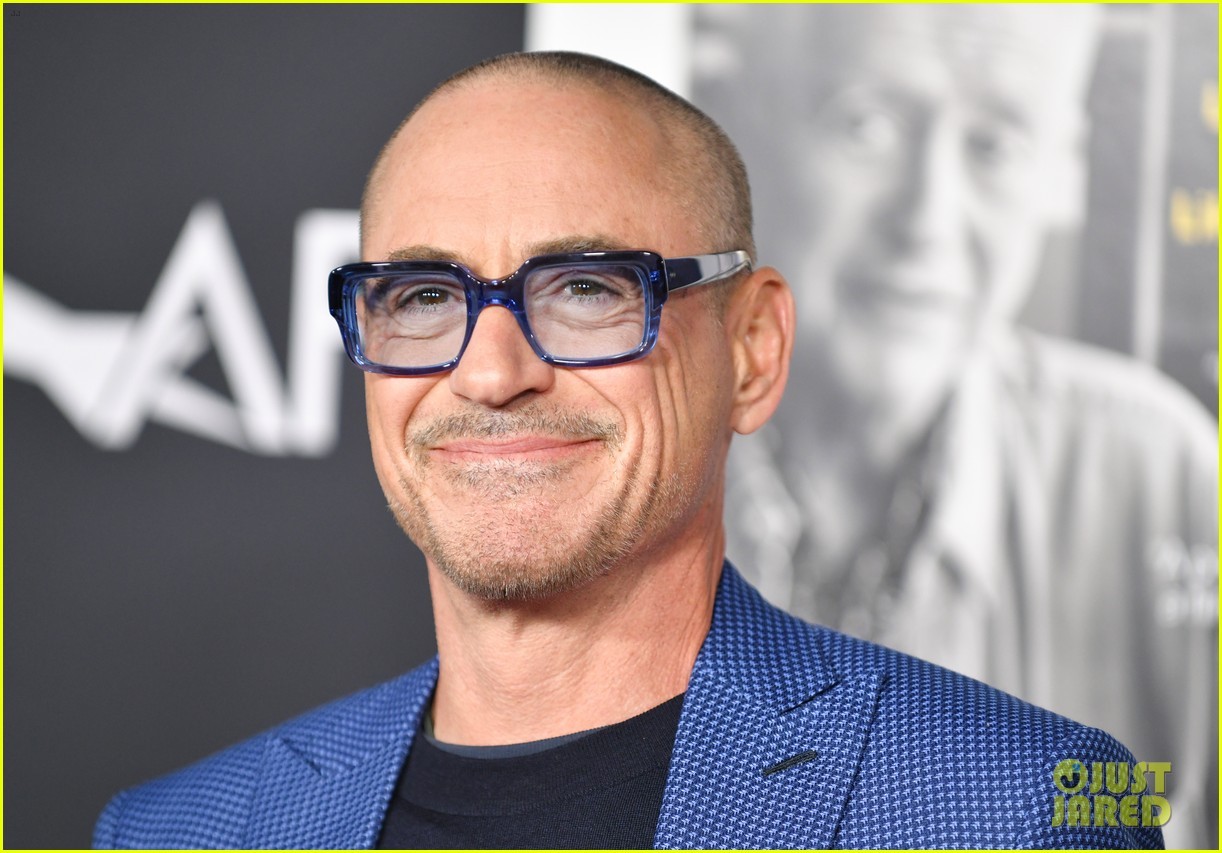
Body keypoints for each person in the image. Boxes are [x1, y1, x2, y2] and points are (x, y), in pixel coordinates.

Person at [93, 51, 1163, 849]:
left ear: (751, 352)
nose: (491, 371)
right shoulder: (173, 833)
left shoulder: (1018, 807)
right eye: (423, 297)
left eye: (586, 289)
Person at [696, 6, 1217, 848]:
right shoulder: (609, 459)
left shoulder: (1164, 483)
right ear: (738, 133)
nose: (927, 221)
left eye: (995, 146)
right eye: (865, 125)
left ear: (1059, 171)